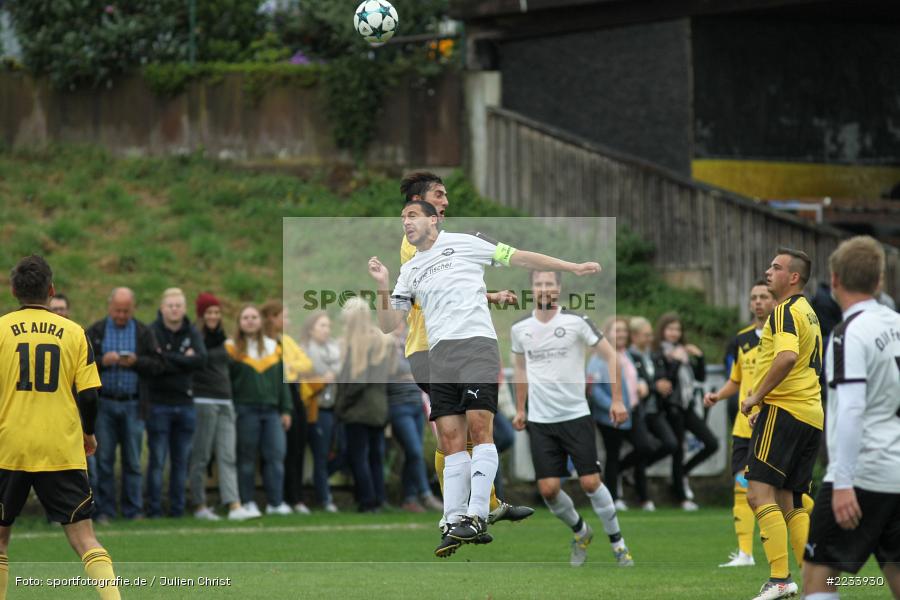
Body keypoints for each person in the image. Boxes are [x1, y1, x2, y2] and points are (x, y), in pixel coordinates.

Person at [369, 199, 605, 557]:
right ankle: (453, 521)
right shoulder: (410, 270)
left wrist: (571, 266)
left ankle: (478, 515)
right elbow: (388, 325)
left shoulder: (464, 243)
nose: (406, 223)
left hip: (477, 346)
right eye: (402, 218)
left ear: (433, 220)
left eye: (412, 216)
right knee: (449, 439)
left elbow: (522, 257)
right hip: (440, 355)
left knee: (480, 429)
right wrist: (383, 284)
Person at [398, 171, 534, 527]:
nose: (445, 202)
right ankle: (467, 511)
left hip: (442, 344)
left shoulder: (434, 241)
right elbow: (422, 291)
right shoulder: (417, 240)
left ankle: (479, 506)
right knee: (455, 435)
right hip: (433, 347)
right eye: (439, 195)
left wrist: (487, 295)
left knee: (464, 432)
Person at [0, 255, 121, 599]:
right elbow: (90, 396)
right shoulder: (75, 333)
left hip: (9, 447)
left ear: (13, 291)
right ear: (51, 291)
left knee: (1, 538)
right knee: (84, 538)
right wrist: (89, 432)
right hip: (61, 447)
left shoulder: (0, 330)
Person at [511, 271, 632, 568]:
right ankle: (581, 531)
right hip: (540, 420)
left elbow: (611, 357)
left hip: (576, 415)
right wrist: (521, 408)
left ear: (559, 288)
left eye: (549, 283)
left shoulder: (577, 322)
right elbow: (520, 370)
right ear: (532, 289)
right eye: (538, 283)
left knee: (591, 482)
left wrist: (617, 399)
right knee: (548, 489)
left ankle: (618, 544)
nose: (543, 288)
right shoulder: (520, 328)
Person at [803, 236, 900, 599]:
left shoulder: (848, 334)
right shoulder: (897, 324)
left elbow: (852, 409)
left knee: (819, 577)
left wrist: (842, 481)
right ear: (879, 282)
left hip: (861, 475)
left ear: (835, 280)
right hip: (896, 473)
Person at [740, 248, 823, 600]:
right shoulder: (808, 311)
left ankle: (779, 580)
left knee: (758, 494)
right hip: (810, 413)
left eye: (775, 267)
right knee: (791, 500)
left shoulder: (785, 311)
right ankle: (815, 582)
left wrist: (756, 396)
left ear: (793, 277)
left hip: (785, 410)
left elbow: (787, 356)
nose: (767, 271)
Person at [703, 280, 778, 567]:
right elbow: (736, 379)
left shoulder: (783, 336)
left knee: (784, 494)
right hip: (743, 427)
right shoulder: (741, 339)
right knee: (741, 486)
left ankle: (802, 544)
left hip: (771, 424)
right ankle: (745, 553)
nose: (758, 302)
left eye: (764, 297)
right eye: (754, 298)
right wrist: (717, 396)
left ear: (774, 302)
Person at [87, 287, 164, 522]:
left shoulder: (143, 332)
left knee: (133, 461)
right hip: (105, 405)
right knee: (105, 460)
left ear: (133, 309)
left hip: (133, 405)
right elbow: (81, 364)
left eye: (126, 311)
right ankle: (105, 511)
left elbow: (159, 364)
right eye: (118, 310)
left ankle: (134, 510)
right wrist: (103, 361)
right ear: (110, 307)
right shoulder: (96, 331)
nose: (121, 315)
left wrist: (137, 362)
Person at [188, 292, 257, 522]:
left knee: (228, 455)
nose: (214, 316)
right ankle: (199, 505)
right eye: (209, 312)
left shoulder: (224, 339)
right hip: (204, 401)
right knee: (202, 455)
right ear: (201, 314)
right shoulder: (194, 338)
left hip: (226, 401)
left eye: (217, 312)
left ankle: (234, 504)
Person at [227, 304, 293, 516]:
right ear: (239, 322)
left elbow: (283, 383)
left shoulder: (274, 347)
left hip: (271, 411)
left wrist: (286, 409)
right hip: (244, 410)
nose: (250, 321)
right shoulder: (231, 348)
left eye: (254, 317)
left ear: (260, 321)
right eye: (245, 317)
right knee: (246, 458)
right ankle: (247, 501)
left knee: (275, 456)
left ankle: (275, 502)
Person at [147, 288, 207, 518]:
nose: (174, 309)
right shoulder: (152, 331)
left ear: (185, 308)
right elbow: (154, 363)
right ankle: (153, 510)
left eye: (178, 305)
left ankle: (178, 510)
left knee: (181, 462)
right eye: (170, 305)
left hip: (185, 404)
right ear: (162, 308)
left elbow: (201, 360)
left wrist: (168, 357)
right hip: (158, 404)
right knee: (157, 461)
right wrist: (184, 359)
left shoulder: (192, 332)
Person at [588, 317, 657, 513]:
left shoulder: (627, 355)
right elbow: (593, 390)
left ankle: (637, 491)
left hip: (633, 411)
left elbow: (635, 377)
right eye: (617, 331)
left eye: (624, 331)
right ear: (607, 333)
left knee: (644, 447)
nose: (622, 335)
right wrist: (612, 406)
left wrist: (643, 384)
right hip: (609, 416)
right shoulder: (598, 358)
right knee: (612, 454)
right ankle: (614, 497)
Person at [653, 312, 717, 510]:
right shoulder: (659, 354)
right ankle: (681, 497)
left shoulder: (681, 351)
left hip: (687, 406)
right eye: (670, 329)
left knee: (711, 443)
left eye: (678, 329)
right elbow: (667, 385)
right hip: (671, 408)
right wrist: (676, 361)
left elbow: (700, 377)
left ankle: (682, 473)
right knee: (678, 450)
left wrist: (699, 357)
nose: (674, 333)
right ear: (662, 331)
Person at [335, 298, 392, 513]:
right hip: (379, 407)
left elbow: (357, 381)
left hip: (358, 409)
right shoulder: (381, 338)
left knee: (359, 457)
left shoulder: (358, 341)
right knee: (376, 457)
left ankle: (367, 501)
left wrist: (341, 406)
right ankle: (379, 498)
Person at [261, 300, 315, 515]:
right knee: (279, 450)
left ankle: (296, 497)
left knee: (297, 447)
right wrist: (291, 367)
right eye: (284, 315)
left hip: (294, 393)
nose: (288, 320)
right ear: (272, 318)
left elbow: (306, 364)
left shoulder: (287, 341)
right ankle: (279, 497)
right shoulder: (265, 342)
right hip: (275, 395)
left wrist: (290, 366)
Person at [388, 323, 444, 513]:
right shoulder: (387, 344)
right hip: (398, 405)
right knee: (414, 451)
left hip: (415, 404)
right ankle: (425, 493)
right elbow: (396, 368)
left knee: (412, 453)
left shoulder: (410, 341)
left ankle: (409, 498)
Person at [626, 316, 677, 506]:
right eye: (646, 335)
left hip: (655, 409)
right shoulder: (629, 356)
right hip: (639, 410)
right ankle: (643, 497)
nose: (649, 338)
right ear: (634, 336)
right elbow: (636, 382)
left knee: (670, 443)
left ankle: (630, 471)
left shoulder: (651, 354)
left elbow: (659, 377)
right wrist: (655, 386)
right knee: (643, 448)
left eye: (650, 335)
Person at [300, 311, 342, 513]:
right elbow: (302, 378)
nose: (327, 330)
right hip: (314, 409)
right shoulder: (304, 351)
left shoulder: (334, 350)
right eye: (322, 326)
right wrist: (321, 379)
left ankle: (320, 490)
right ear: (311, 329)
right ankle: (323, 498)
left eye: (328, 326)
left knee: (333, 453)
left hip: (333, 408)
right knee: (318, 455)